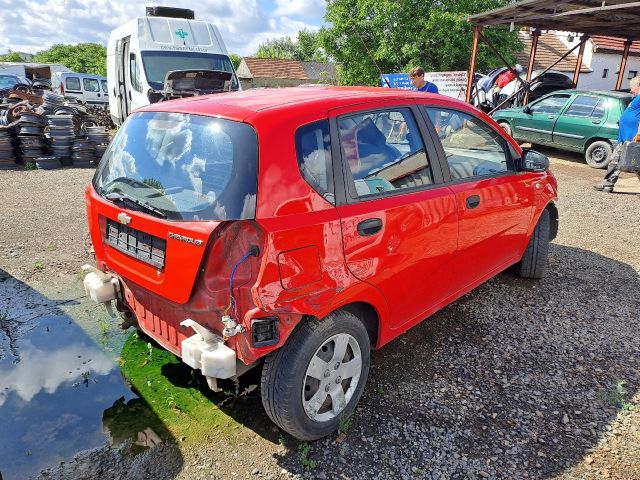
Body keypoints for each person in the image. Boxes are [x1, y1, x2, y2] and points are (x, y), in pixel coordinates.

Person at [594, 75, 640, 192]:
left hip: (632, 139)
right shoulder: (636, 98)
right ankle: (608, 184)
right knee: (618, 161)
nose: (630, 90)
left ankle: (607, 184)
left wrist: (638, 133)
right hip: (625, 137)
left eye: (632, 87)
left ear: (639, 85)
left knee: (616, 161)